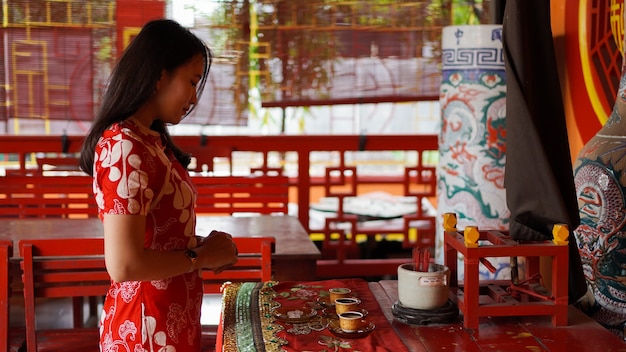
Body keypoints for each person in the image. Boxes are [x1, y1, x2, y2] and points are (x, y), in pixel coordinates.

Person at [78, 19, 238, 351]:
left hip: (167, 321)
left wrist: (202, 247)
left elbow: (156, 235)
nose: (194, 97)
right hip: (144, 330)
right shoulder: (124, 146)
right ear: (160, 75)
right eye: (192, 81)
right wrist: (201, 257)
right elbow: (125, 264)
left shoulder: (148, 140)